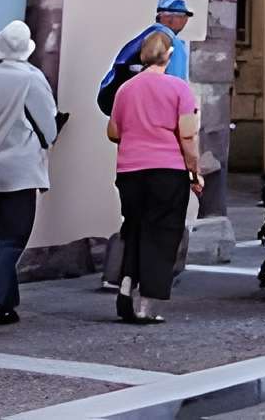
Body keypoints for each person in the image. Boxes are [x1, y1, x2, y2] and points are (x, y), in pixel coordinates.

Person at [0, 21, 59, 340]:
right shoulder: (31, 79)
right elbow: (49, 126)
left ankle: (5, 304)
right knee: (14, 240)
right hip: (18, 167)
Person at [107, 28, 201, 323]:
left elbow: (113, 132)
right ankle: (146, 305)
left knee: (134, 227)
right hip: (167, 171)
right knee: (162, 235)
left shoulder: (125, 89)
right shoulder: (179, 89)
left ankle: (126, 282)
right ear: (170, 56)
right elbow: (186, 135)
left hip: (130, 172)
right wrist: (195, 172)